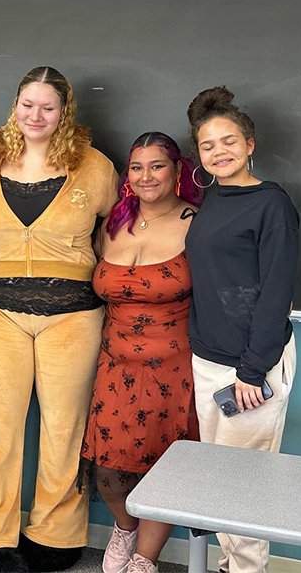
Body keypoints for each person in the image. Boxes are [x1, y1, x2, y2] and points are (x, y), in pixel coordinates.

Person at [0, 66, 119, 573]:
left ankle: (56, 537)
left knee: (64, 428)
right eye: (28, 104)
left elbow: (115, 234)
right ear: (15, 104)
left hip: (73, 317)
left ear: (65, 111)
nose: (36, 116)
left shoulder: (96, 167)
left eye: (48, 107)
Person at [184, 86, 299, 573]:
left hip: (252, 364)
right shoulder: (212, 200)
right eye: (208, 145)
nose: (219, 152)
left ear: (250, 144)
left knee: (245, 487)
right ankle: (231, 567)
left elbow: (276, 293)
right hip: (209, 359)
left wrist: (252, 370)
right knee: (222, 482)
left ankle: (247, 569)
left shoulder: (271, 205)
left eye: (228, 141)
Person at [81, 132, 202, 573]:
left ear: (177, 171)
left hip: (174, 368)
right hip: (114, 364)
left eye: (157, 165)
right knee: (109, 472)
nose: (146, 175)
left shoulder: (198, 223)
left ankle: (145, 560)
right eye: (137, 167)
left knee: (163, 468)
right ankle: (125, 530)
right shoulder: (113, 221)